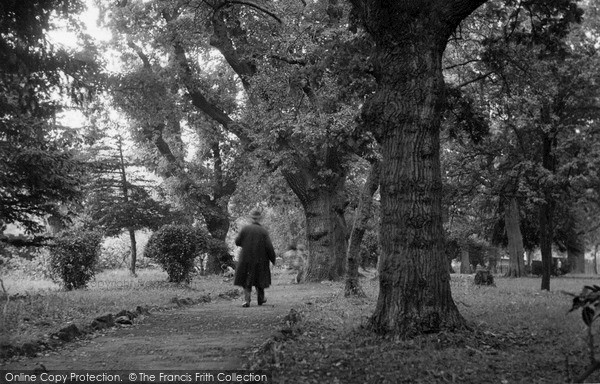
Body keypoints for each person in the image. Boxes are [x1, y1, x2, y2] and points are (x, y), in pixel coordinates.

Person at [234, 209, 276, 307]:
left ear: (251, 218)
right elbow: (269, 247)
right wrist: (272, 258)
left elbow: (237, 242)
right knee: (260, 279)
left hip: (246, 258)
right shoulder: (263, 231)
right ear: (260, 218)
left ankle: (247, 300)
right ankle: (260, 299)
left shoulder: (245, 229)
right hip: (261, 259)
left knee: (246, 280)